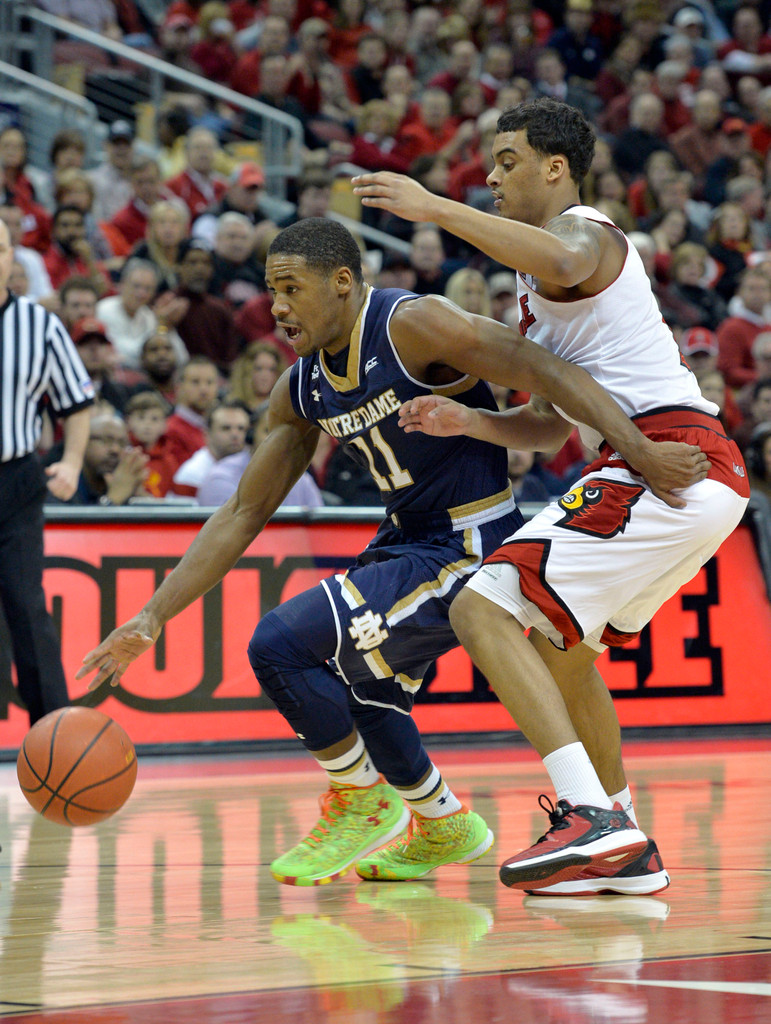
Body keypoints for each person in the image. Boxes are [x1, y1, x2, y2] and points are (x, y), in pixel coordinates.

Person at [78, 216, 706, 890]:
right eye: (271, 289)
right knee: (363, 685)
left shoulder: (411, 325)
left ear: (342, 283)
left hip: (470, 542)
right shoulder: (301, 387)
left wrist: (633, 448)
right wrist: (152, 616)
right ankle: (441, 823)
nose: (277, 305)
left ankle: (362, 798)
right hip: (407, 537)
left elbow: (539, 367)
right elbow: (241, 512)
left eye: (291, 288)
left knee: (279, 645)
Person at [352, 98, 748, 896]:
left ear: (555, 168)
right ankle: (625, 843)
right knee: (565, 651)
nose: (491, 176)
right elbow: (544, 425)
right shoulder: (534, 292)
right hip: (670, 469)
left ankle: (589, 818)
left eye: (505, 161)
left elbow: (567, 259)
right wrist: (472, 419)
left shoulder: (586, 233)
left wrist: (432, 206)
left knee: (479, 606)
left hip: (664, 457)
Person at [0, 218, 94, 725]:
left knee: (26, 607)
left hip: (15, 479)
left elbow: (76, 402)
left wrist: (74, 461)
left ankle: (53, 733)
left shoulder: (39, 325)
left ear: (13, 257)